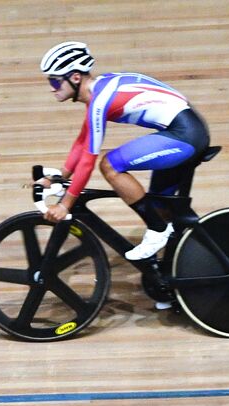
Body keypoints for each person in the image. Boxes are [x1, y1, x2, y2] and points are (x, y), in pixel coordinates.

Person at [37, 41, 212, 274]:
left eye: (54, 80)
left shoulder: (99, 102)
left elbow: (88, 160)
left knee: (110, 164)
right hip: (183, 131)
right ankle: (173, 277)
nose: (52, 87)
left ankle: (158, 230)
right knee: (161, 207)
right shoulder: (98, 91)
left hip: (185, 136)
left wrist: (65, 204)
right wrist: (59, 177)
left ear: (75, 77)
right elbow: (82, 142)